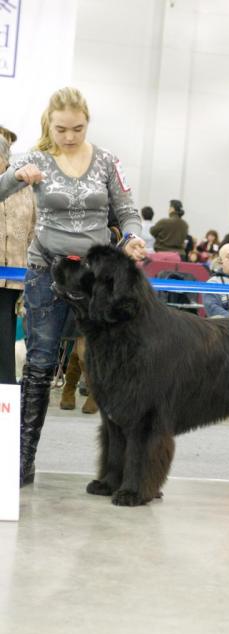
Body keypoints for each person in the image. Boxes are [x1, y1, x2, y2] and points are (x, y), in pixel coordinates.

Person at [0, 86, 146, 486]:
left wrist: (133, 238)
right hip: (46, 270)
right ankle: (21, 461)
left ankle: (123, 470)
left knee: (112, 369)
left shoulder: (106, 161)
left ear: (87, 123)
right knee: (41, 363)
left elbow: (128, 212)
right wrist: (14, 176)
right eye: (62, 129)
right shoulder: (35, 158)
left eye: (78, 128)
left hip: (99, 279)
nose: (69, 136)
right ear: (50, 123)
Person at [0, 134, 37, 384]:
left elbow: (34, 229)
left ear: (5, 159)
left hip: (14, 276)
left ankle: (5, 394)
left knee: (5, 337)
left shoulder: (25, 189)